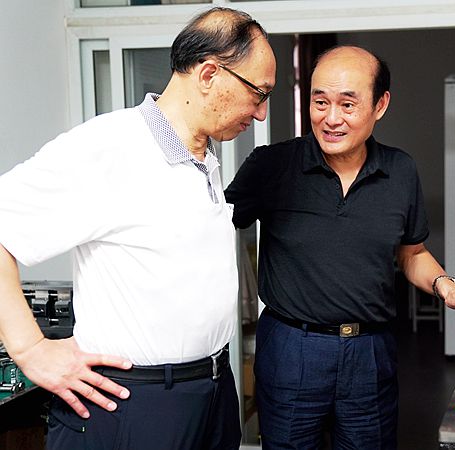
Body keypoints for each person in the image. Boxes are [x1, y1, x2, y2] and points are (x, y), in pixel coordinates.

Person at [0, 7, 276, 450]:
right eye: (258, 93)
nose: (261, 113)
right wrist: (30, 349)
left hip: (210, 391)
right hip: (132, 402)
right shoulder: (108, 147)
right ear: (209, 75)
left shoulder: (201, 155)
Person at [225, 45, 455, 449]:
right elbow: (207, 229)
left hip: (369, 352)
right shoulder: (271, 165)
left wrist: (448, 288)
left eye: (348, 104)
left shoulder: (400, 170)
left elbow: (412, 252)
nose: (331, 118)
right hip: (293, 348)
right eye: (320, 102)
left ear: (380, 105)